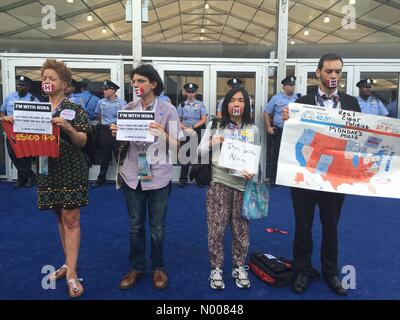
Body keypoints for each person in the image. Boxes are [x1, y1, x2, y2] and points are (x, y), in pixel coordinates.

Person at [7, 59, 89, 298]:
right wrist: (15, 124)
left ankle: (72, 273)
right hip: (45, 168)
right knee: (59, 217)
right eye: (44, 79)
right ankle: (67, 263)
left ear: (64, 84)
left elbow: (82, 142)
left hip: (70, 168)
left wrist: (69, 128)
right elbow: (26, 140)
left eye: (52, 78)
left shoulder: (75, 109)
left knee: (71, 220)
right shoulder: (34, 109)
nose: (47, 82)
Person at [283, 53, 360, 296]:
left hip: (334, 178)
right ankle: (302, 270)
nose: (334, 76)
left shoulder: (351, 103)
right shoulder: (301, 101)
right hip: (305, 175)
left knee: (331, 227)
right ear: (318, 73)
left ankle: (330, 272)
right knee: (303, 226)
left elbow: (357, 139)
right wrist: (288, 119)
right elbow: (293, 136)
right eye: (329, 71)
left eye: (338, 71)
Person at [111, 64, 183, 290]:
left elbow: (179, 147)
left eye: (141, 81)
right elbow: (125, 143)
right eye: (134, 81)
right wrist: (117, 134)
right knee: (135, 226)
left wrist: (163, 134)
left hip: (159, 175)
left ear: (153, 84)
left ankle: (158, 267)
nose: (136, 85)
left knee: (157, 227)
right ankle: (136, 267)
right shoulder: (128, 108)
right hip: (132, 173)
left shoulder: (167, 110)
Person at [198, 86, 260, 290]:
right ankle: (216, 268)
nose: (236, 104)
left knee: (241, 230)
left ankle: (239, 266)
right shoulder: (215, 125)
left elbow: (256, 159)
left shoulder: (253, 129)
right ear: (226, 104)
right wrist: (210, 142)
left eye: (241, 100)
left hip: (242, 186)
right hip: (219, 182)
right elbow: (197, 151)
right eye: (232, 100)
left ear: (246, 105)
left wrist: (253, 173)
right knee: (216, 229)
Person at [0, 75, 38, 188]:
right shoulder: (10, 97)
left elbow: (39, 115)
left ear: (28, 87)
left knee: (24, 156)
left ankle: (22, 180)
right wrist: (4, 118)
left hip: (26, 132)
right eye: (19, 84)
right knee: (13, 154)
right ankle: (31, 175)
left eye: (23, 85)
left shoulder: (33, 99)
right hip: (11, 131)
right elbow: (2, 112)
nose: (20, 86)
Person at [263, 76, 300, 185]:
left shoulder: (297, 99)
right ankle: (274, 180)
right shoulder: (276, 98)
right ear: (284, 86)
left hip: (293, 132)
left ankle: (289, 180)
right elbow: (266, 113)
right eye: (290, 85)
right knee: (276, 155)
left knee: (291, 156)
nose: (292, 87)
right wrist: (269, 127)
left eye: (293, 85)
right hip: (279, 131)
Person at [92, 80, 126, 187]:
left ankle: (123, 180)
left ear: (113, 90)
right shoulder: (101, 102)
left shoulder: (122, 103)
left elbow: (124, 118)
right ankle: (101, 179)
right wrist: (105, 125)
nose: (104, 91)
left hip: (117, 131)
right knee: (104, 156)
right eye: (104, 89)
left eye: (106, 89)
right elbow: (99, 116)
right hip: (105, 131)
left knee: (119, 156)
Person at [177, 82, 208, 187]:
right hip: (185, 131)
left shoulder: (200, 104)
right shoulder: (181, 105)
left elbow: (204, 119)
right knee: (185, 156)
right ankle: (183, 179)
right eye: (189, 92)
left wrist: (193, 127)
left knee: (198, 156)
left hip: (197, 130)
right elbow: (178, 120)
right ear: (186, 93)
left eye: (193, 92)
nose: (191, 94)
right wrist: (185, 128)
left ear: (195, 93)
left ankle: (199, 180)